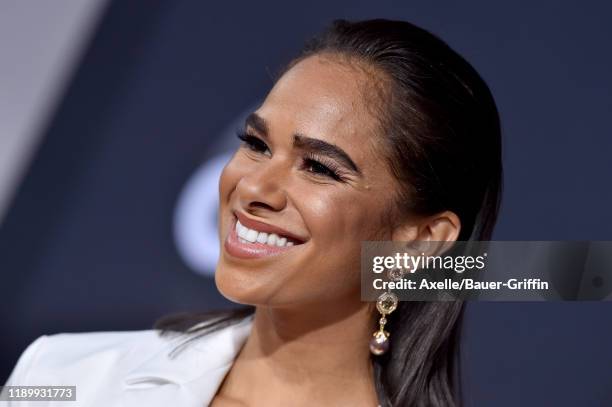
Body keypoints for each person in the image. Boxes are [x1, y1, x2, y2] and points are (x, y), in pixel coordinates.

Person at [4, 18, 502, 407]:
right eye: (257, 144)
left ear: (420, 241)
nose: (255, 186)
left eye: (319, 168)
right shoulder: (59, 376)